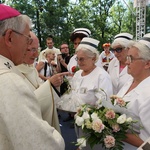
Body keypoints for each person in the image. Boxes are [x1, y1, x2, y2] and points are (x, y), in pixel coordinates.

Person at [0, 4, 65, 150]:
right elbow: (42, 145)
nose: (28, 46)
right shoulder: (10, 82)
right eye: (27, 39)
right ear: (10, 38)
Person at [17, 31, 68, 133]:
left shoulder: (30, 67)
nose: (36, 54)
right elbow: (23, 106)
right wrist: (50, 83)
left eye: (37, 49)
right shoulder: (13, 71)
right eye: (32, 49)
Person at [116, 33, 150, 149]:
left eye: (131, 58)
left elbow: (147, 142)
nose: (126, 62)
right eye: (127, 57)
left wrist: (114, 128)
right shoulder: (131, 81)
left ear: (147, 64)